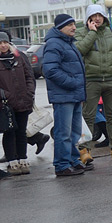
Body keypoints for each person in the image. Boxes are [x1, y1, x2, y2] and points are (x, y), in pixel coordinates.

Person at [76, 3, 112, 163]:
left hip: (111, 82)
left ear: (104, 17)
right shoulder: (81, 34)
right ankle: (84, 151)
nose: (97, 18)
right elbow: (79, 51)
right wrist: (92, 34)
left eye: (99, 15)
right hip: (91, 81)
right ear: (88, 18)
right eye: (93, 16)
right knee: (88, 117)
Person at [42, 14, 88, 178]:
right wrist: (73, 83)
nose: (74, 27)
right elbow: (50, 70)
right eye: (69, 25)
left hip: (74, 95)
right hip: (63, 96)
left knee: (75, 132)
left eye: (74, 24)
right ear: (60, 27)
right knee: (64, 133)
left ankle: (73, 160)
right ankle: (62, 165)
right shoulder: (54, 44)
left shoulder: (69, 43)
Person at [0, 31, 37, 177]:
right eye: (0, 43)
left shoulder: (19, 57)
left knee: (22, 132)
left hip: (23, 100)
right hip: (6, 104)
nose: (3, 45)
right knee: (9, 132)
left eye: (5, 42)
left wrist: (29, 92)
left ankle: (23, 159)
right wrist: (6, 96)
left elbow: (30, 76)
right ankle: (12, 161)